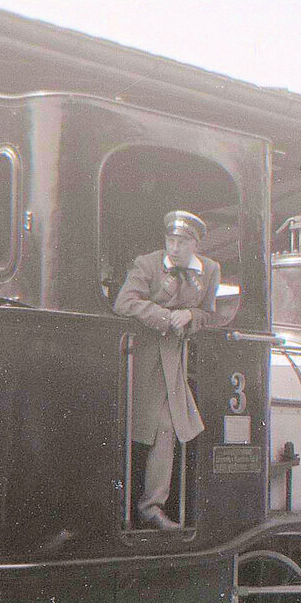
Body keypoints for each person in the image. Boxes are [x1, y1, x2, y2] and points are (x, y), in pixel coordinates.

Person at [113, 210, 221, 530]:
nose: (174, 248)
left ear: (195, 244)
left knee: (167, 427)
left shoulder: (210, 270)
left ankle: (151, 506)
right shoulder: (146, 263)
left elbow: (209, 314)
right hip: (140, 358)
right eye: (170, 240)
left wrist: (190, 315)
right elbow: (125, 302)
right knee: (144, 427)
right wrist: (164, 316)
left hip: (175, 360)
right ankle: (144, 506)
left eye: (182, 242)